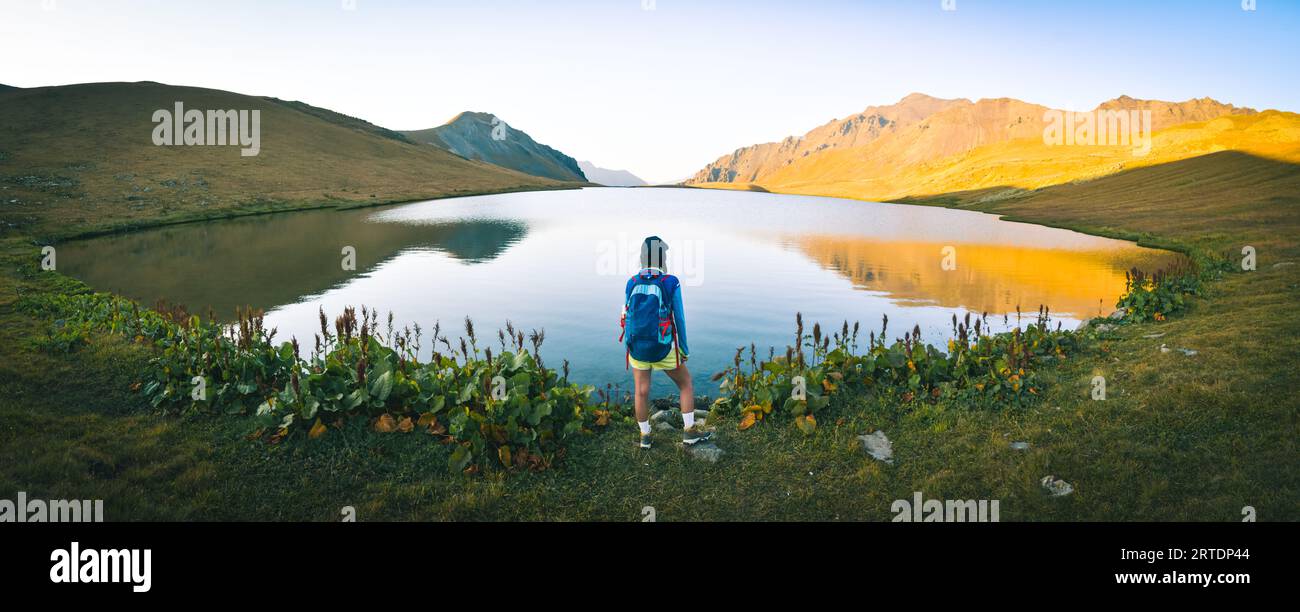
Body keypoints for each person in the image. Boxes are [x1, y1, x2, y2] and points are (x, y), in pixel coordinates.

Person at [620, 236, 712, 449]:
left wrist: (629, 346)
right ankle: (689, 432)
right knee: (685, 383)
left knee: (641, 391)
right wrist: (684, 349)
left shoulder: (631, 282)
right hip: (664, 347)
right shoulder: (670, 282)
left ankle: (645, 437)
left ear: (643, 257)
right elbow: (679, 318)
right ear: (662, 258)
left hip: (637, 348)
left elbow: (627, 313)